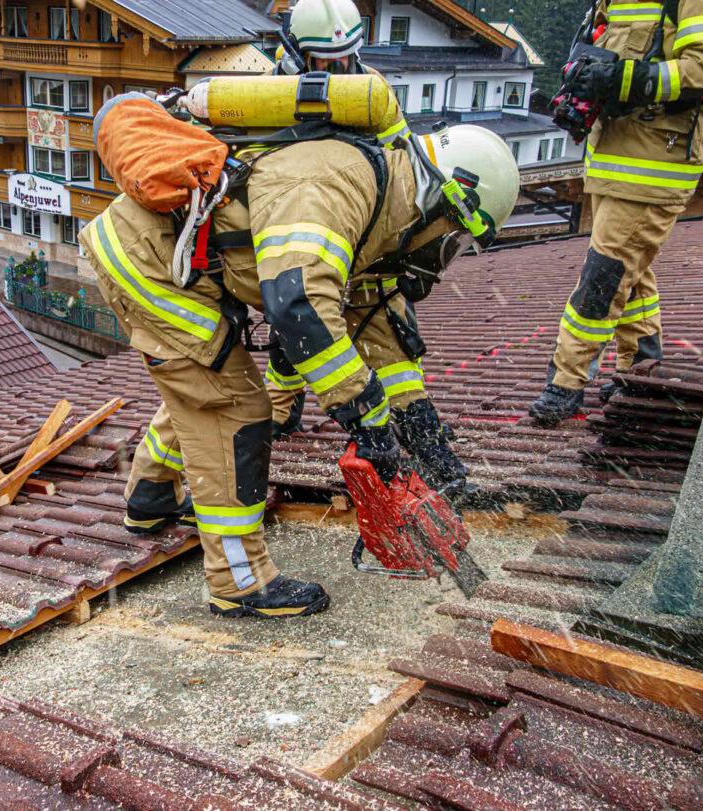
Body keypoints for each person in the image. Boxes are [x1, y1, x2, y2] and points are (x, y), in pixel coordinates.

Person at [82, 102, 517, 618]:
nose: (448, 251)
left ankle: (151, 497)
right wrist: (363, 413)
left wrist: (415, 421)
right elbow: (301, 304)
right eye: (457, 237)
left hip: (158, 252)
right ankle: (240, 582)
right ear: (450, 200)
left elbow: (369, 312)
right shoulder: (337, 187)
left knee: (201, 382)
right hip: (147, 261)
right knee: (232, 406)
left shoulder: (380, 195)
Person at [262, 0, 467, 502]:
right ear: (295, 56)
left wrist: (412, 245)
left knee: (391, 333)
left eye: (348, 59)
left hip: (369, 236)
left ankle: (422, 435)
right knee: (300, 324)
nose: (341, 73)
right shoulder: (265, 101)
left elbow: (407, 163)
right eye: (326, 64)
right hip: (304, 236)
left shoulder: (372, 96)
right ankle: (278, 409)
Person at [528, 0, 703, 426]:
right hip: (613, 153)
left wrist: (619, 78)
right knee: (630, 269)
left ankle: (566, 384)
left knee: (604, 274)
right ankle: (640, 367)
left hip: (656, 159)